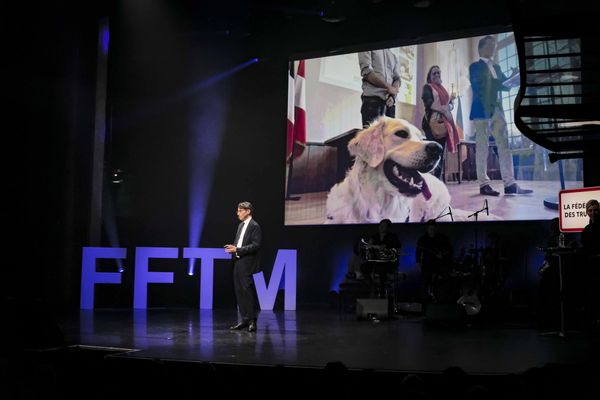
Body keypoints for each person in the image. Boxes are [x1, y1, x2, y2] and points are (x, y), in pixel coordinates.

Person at [469, 35, 532, 196]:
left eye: (496, 45)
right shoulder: (474, 67)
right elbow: (479, 85)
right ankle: (484, 185)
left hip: (498, 111)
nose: (494, 48)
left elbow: (504, 86)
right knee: (482, 148)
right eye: (491, 45)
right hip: (481, 111)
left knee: (505, 146)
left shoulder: (496, 68)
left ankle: (510, 184)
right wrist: (501, 83)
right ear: (481, 48)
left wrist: (514, 78)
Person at [224, 201, 262, 332]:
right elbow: (239, 242)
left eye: (240, 210)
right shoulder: (240, 226)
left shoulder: (254, 226)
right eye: (238, 210)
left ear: (248, 211)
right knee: (239, 291)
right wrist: (233, 249)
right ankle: (244, 320)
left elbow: (256, 245)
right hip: (238, 262)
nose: (238, 213)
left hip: (247, 263)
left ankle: (252, 320)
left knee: (247, 291)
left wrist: (238, 249)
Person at [421, 65, 460, 179]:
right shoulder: (427, 87)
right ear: (430, 76)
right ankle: (428, 180)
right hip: (430, 124)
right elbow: (428, 103)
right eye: (434, 73)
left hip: (444, 123)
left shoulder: (444, 90)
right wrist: (444, 110)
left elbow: (450, 104)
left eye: (438, 73)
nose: (437, 75)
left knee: (440, 154)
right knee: (431, 152)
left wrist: (451, 106)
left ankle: (437, 181)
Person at [358, 49, 401, 128]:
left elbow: (397, 79)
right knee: (371, 139)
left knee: (389, 139)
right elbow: (367, 72)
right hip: (372, 102)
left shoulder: (393, 56)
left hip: (389, 105)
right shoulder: (367, 46)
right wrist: (388, 87)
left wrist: (392, 96)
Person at [360, 219, 401, 298]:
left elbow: (384, 247)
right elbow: (368, 246)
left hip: (388, 262)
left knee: (382, 270)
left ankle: (382, 293)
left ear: (388, 228)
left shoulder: (392, 236)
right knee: (364, 267)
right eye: (380, 225)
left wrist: (376, 246)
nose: (381, 227)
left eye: (384, 226)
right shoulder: (374, 236)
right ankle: (372, 287)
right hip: (376, 261)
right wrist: (374, 247)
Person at [416, 219, 453, 303]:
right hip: (427, 266)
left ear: (436, 228)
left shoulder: (442, 238)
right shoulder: (423, 239)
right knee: (424, 285)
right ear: (427, 228)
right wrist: (418, 263)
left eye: (433, 228)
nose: (431, 230)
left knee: (440, 286)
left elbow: (449, 250)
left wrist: (442, 254)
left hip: (439, 266)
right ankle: (425, 303)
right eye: (430, 228)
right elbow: (418, 251)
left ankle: (440, 303)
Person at [581, 199, 600, 327]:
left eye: (595, 210)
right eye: (590, 210)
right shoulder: (586, 229)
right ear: (587, 212)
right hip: (591, 266)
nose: (593, 213)